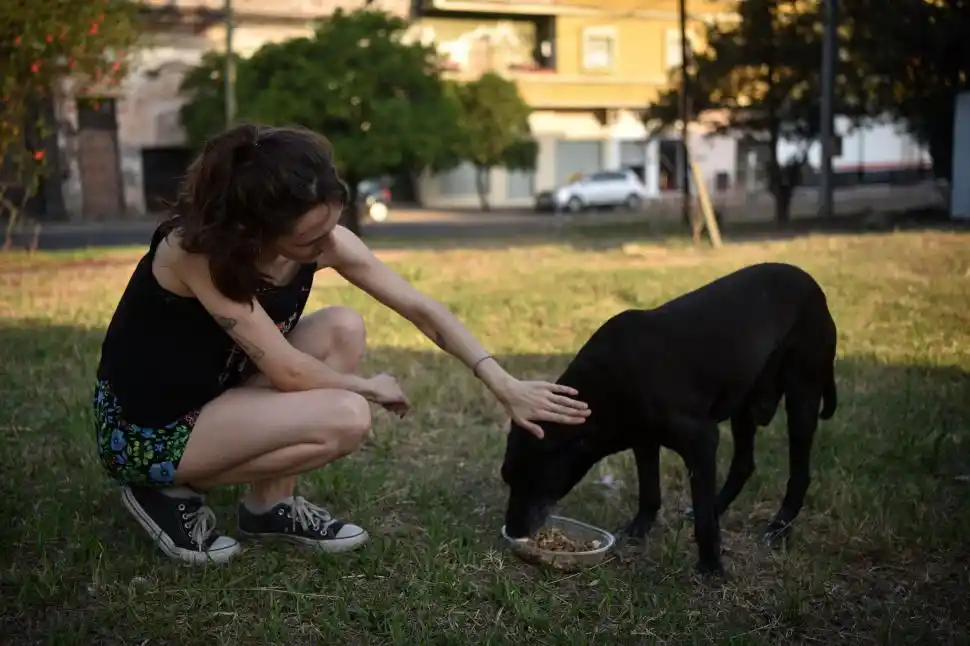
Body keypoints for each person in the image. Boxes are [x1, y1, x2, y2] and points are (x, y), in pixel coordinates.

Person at [92, 123, 591, 564]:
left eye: (332, 223)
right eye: (311, 237)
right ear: (255, 228)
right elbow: (287, 369)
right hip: (146, 427)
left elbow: (421, 308)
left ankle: (270, 505)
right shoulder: (196, 252)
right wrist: (366, 387)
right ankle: (160, 490)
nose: (328, 243)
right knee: (348, 416)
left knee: (343, 327)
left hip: (215, 398)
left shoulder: (324, 241)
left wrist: (501, 381)